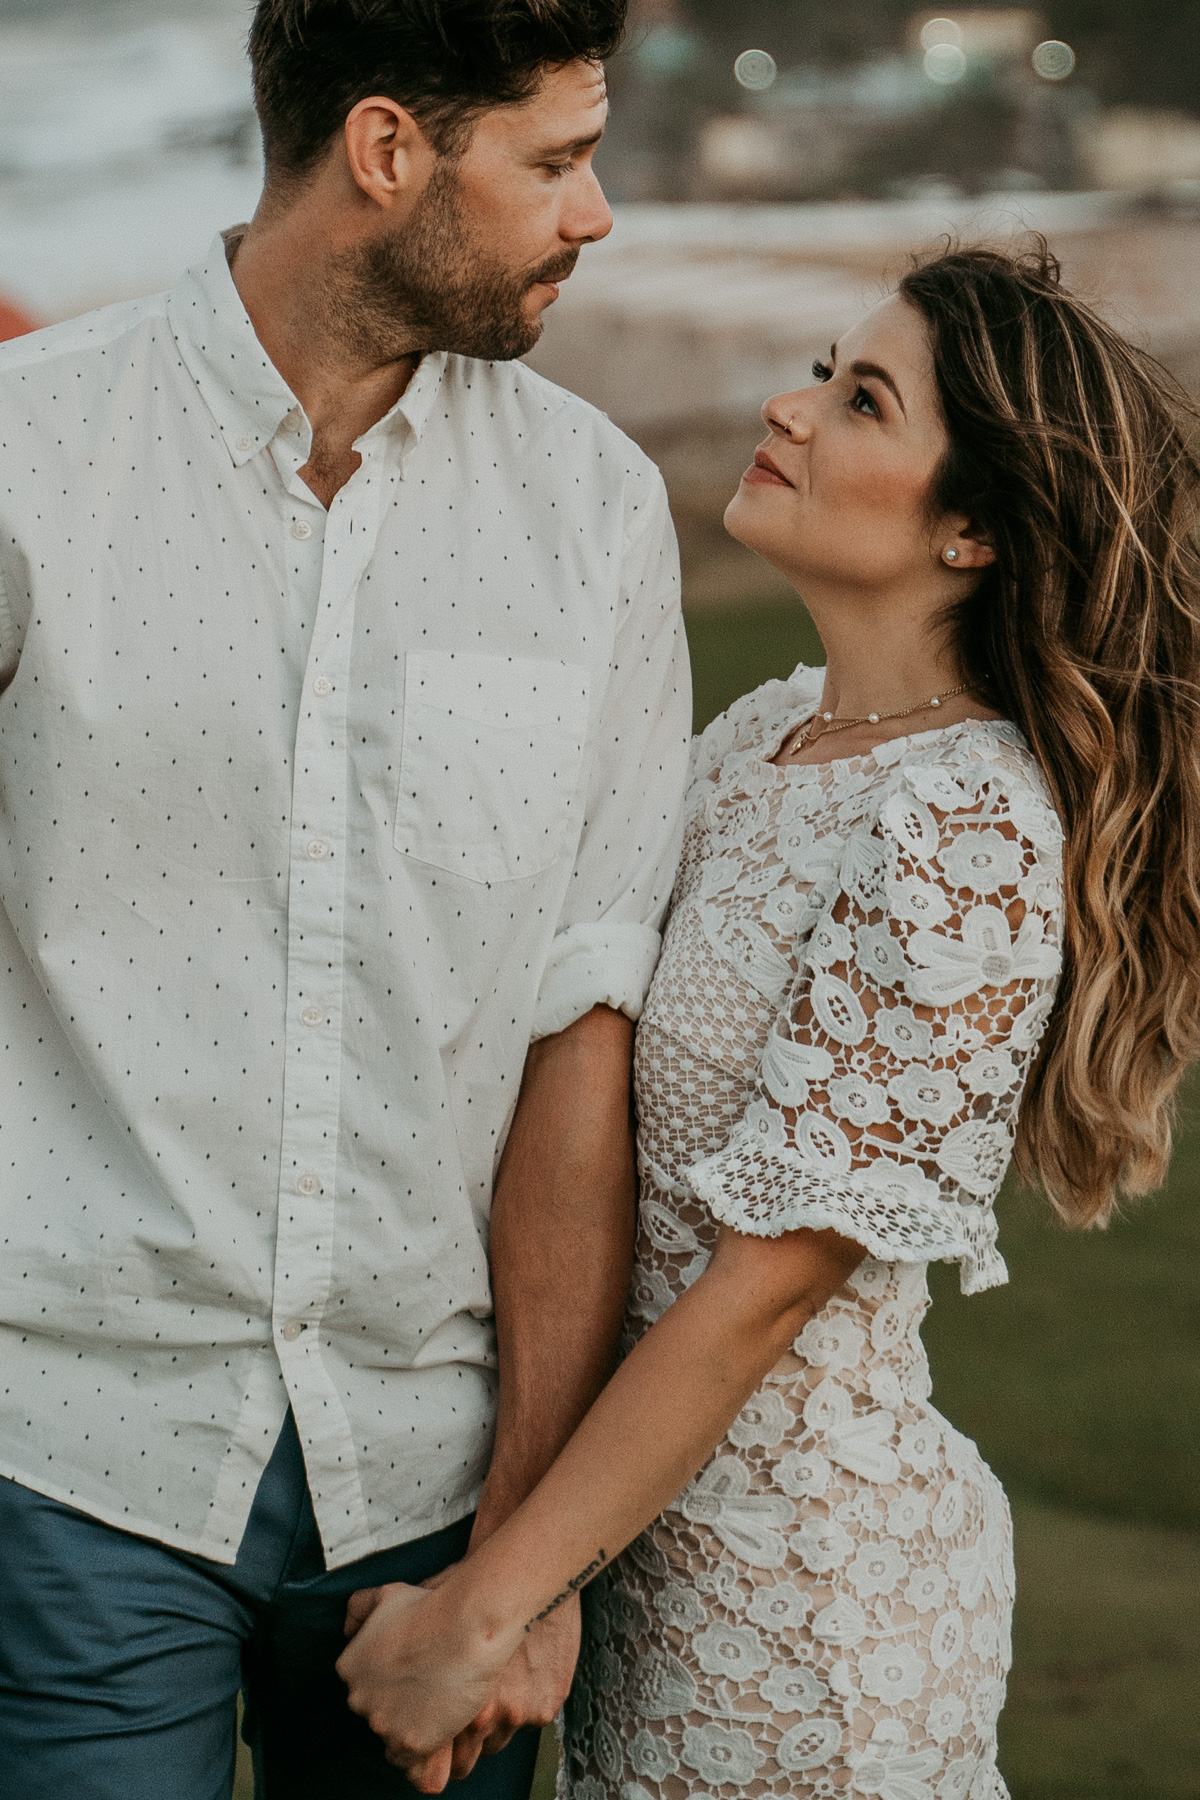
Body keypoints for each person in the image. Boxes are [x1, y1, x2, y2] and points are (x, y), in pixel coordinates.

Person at [334, 244, 1200, 1799]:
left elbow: (762, 1294)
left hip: (806, 1623)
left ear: (974, 531)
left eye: (860, 398)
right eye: (820, 367)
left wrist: (484, 1609)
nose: (786, 411)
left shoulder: (964, 828)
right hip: (644, 1579)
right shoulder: (757, 739)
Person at [0, 3, 693, 1797]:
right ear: (389, 152)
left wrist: (524, 1570)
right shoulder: (25, 461)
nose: (595, 212)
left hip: (432, 1486)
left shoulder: (598, 519)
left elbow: (576, 1056)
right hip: (64, 1449)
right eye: (554, 160)